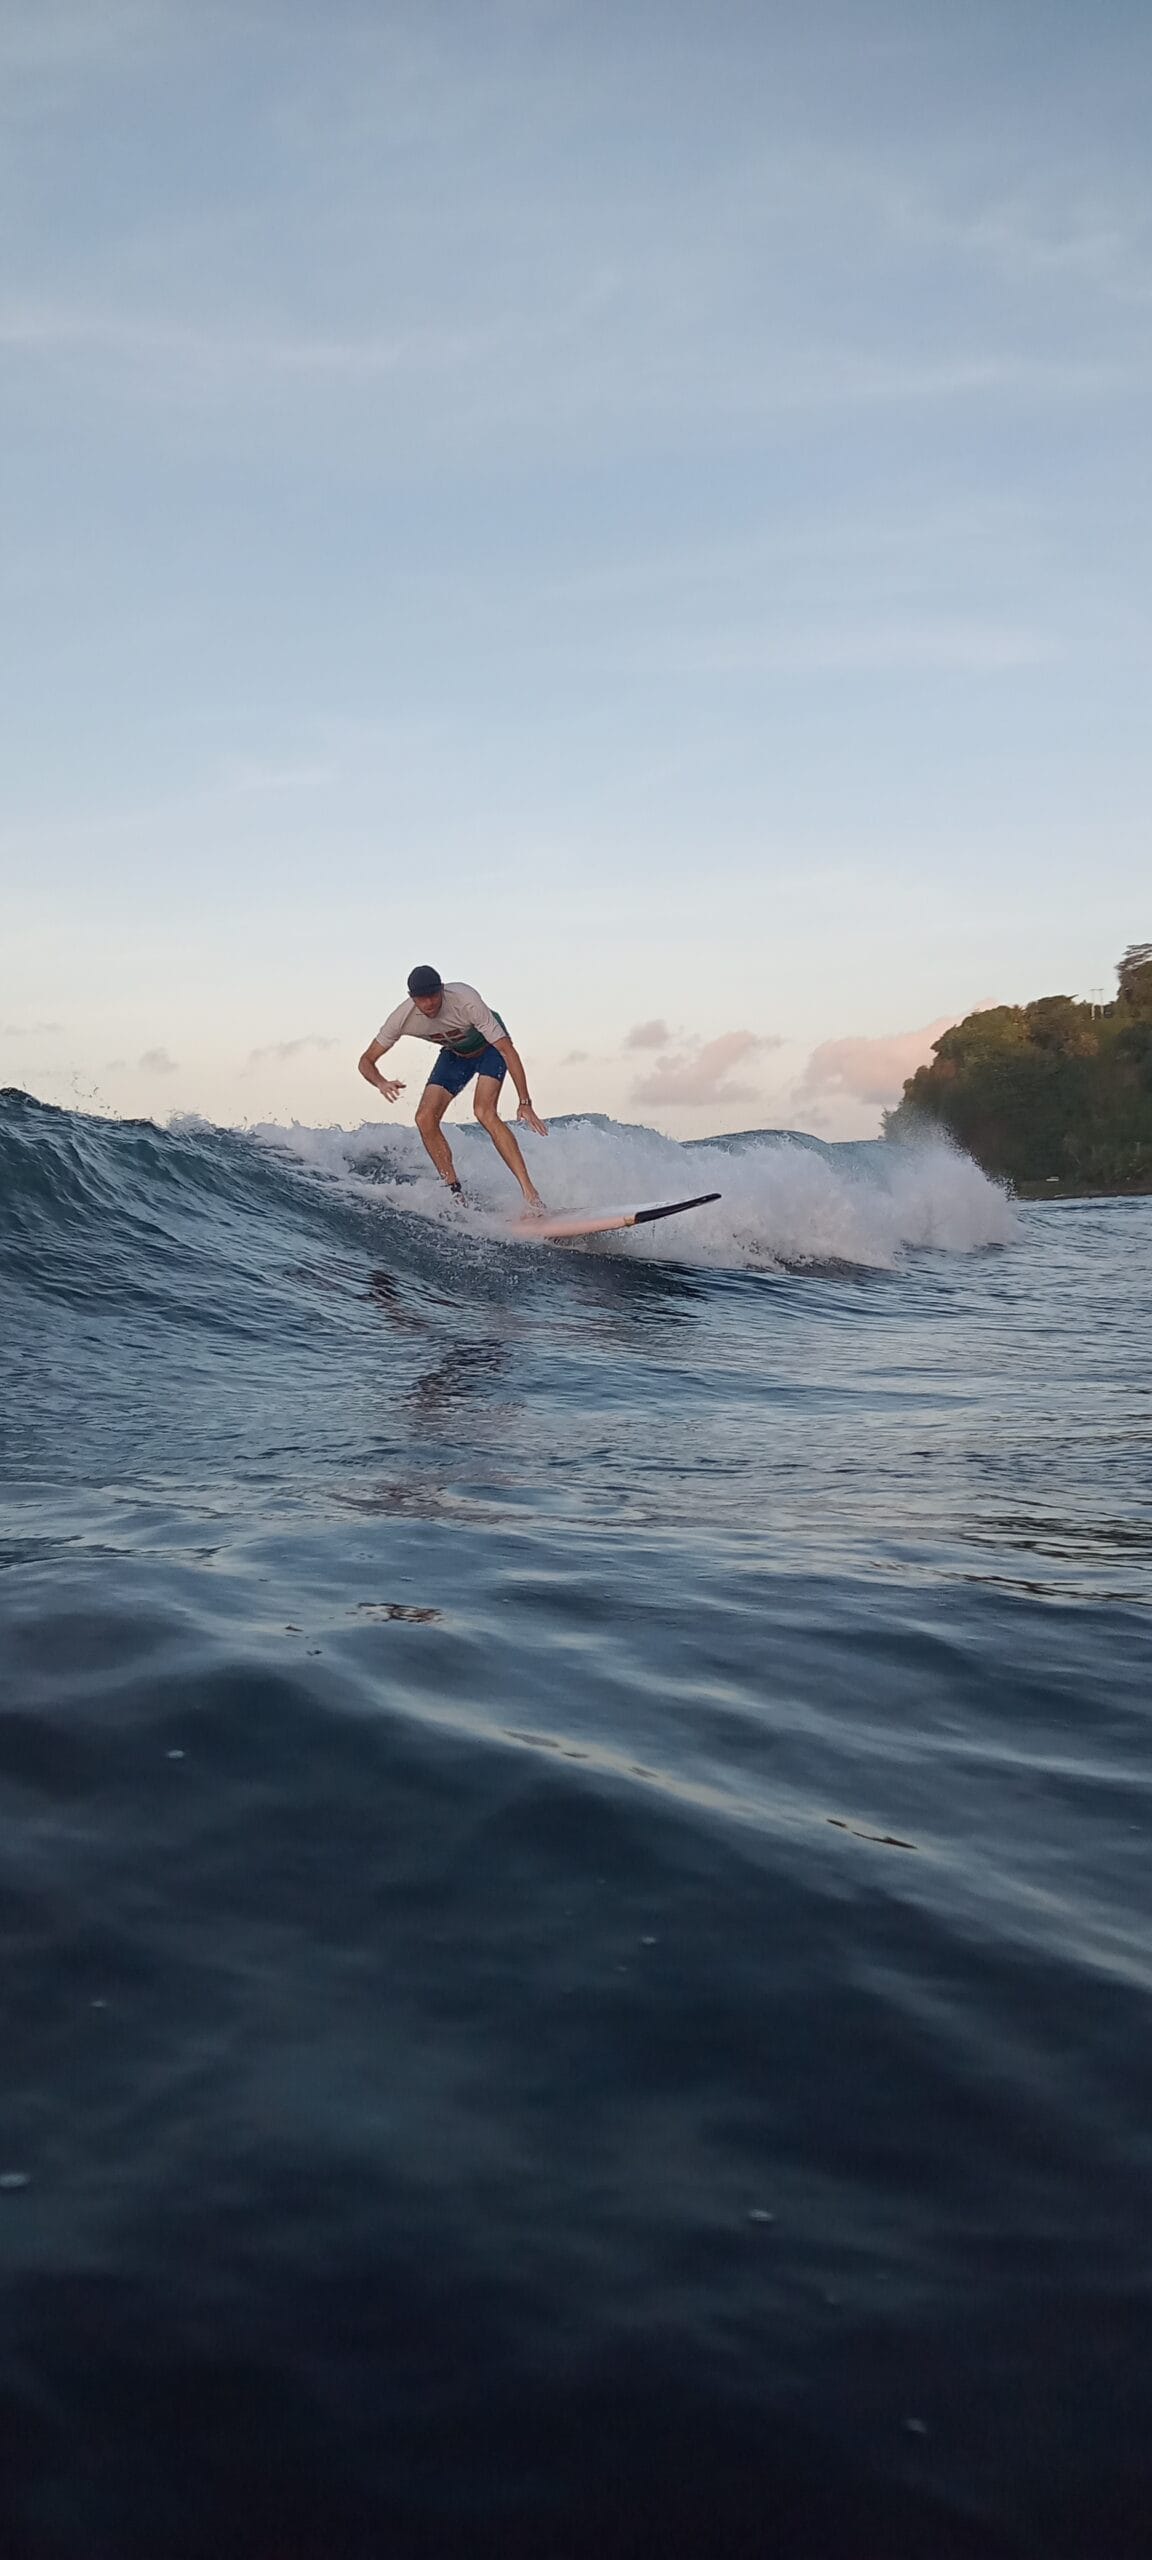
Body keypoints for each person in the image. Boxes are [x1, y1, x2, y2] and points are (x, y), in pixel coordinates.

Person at [358, 966, 548, 1209]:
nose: (429, 1003)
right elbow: (366, 1061)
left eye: (433, 995)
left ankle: (531, 1195)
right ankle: (455, 1194)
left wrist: (525, 1102)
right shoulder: (402, 1017)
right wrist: (381, 1082)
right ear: (412, 997)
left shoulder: (464, 999)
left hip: (490, 1049)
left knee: (484, 1112)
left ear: (442, 989)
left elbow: (506, 1050)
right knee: (424, 1118)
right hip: (455, 1055)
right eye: (421, 998)